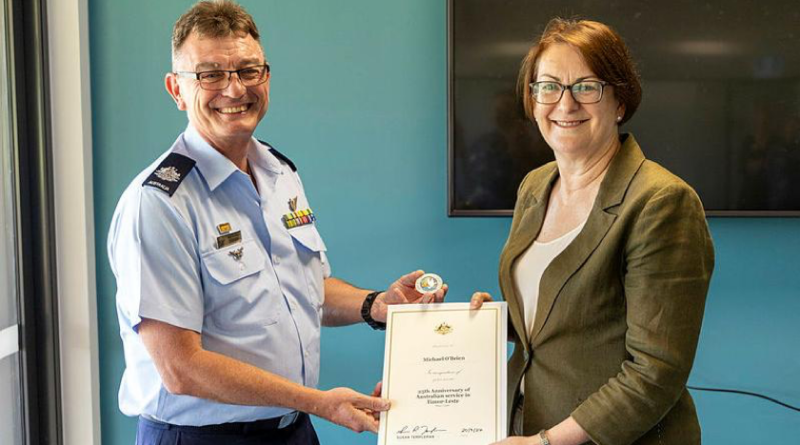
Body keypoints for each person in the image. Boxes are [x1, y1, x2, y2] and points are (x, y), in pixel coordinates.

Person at [106, 2, 446, 444]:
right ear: (176, 89)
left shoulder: (279, 173)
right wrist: (317, 401)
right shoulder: (159, 204)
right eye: (210, 74)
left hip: (292, 431)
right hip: (200, 438)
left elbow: (303, 289)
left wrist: (375, 304)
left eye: (249, 71)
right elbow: (180, 368)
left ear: (266, 77)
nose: (234, 89)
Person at [471, 18, 715, 445]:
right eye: (548, 86)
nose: (565, 105)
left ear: (620, 100)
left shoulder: (660, 202)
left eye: (586, 86)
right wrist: (492, 322)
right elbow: (560, 321)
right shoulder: (535, 186)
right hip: (528, 427)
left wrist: (547, 443)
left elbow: (655, 371)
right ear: (533, 101)